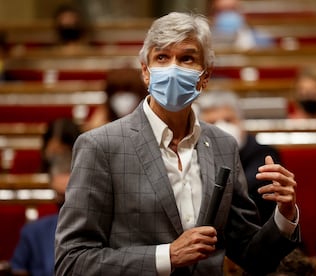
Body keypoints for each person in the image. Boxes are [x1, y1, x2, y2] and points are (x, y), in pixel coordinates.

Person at [55, 12, 300, 276]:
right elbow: (72, 261)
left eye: (187, 58)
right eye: (162, 57)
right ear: (146, 72)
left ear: (205, 76)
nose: (173, 68)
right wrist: (166, 257)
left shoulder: (223, 145)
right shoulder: (100, 146)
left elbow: (253, 257)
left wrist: (285, 216)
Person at [196, 90, 282, 224]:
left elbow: (246, 195)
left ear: (241, 122)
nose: (222, 128)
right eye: (212, 123)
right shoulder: (195, 155)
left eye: (228, 120)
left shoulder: (264, 154)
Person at [10, 153, 73, 276]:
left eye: (70, 196)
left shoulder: (100, 230)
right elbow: (18, 268)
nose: (65, 203)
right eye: (60, 195)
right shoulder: (33, 231)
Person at [82, 67, 148, 131]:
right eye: (116, 92)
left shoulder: (148, 114)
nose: (122, 97)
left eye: (127, 90)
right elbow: (92, 130)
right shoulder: (105, 112)